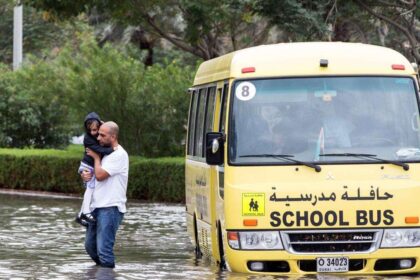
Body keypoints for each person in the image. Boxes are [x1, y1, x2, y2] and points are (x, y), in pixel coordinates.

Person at [81, 121, 129, 268]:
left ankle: (106, 272)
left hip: (110, 208)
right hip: (96, 206)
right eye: (98, 134)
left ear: (113, 137)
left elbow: (101, 175)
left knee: (104, 250)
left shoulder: (119, 154)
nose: (98, 138)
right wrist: (85, 176)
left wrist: (96, 158)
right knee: (90, 247)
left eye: (102, 135)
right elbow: (95, 177)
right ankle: (102, 273)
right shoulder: (104, 152)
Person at [76, 112, 115, 227]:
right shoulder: (88, 139)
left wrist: (104, 126)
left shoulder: (101, 133)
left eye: (96, 130)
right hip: (87, 166)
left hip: (90, 166)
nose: (94, 133)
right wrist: (112, 150)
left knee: (90, 190)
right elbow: (100, 150)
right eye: (91, 130)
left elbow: (108, 135)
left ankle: (81, 214)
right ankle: (86, 212)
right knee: (90, 189)